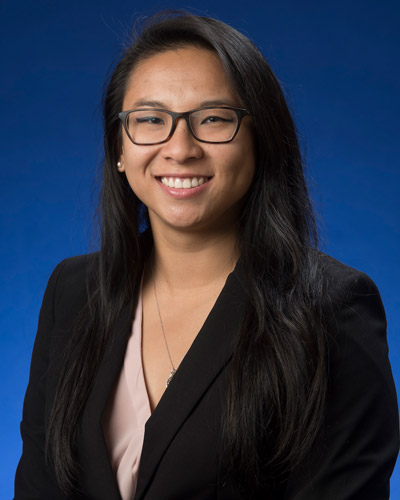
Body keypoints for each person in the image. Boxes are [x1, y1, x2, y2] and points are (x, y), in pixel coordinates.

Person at [14, 11, 399, 500]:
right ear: (118, 148)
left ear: (261, 141)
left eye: (213, 119)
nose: (180, 148)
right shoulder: (71, 292)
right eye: (150, 119)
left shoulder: (333, 309)